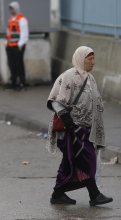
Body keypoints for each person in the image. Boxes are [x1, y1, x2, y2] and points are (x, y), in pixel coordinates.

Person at [46, 46, 113, 206]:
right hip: (72, 128)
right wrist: (65, 117)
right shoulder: (68, 76)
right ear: (80, 59)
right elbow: (55, 99)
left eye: (93, 59)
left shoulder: (90, 78)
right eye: (89, 59)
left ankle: (58, 194)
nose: (93, 62)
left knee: (71, 161)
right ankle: (94, 194)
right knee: (86, 159)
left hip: (86, 129)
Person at [5, 1, 29, 91]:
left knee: (19, 65)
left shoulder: (22, 19)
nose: (11, 11)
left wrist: (20, 44)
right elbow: (9, 33)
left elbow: (24, 33)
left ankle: (22, 84)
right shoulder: (11, 20)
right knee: (11, 65)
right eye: (10, 9)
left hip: (18, 46)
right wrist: (6, 42)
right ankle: (13, 83)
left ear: (16, 9)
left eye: (13, 9)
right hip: (10, 46)